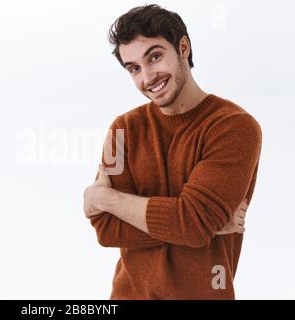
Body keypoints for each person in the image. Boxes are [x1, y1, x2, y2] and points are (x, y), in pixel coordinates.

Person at [83, 4, 262, 299]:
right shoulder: (122, 130)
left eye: (155, 56)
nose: (148, 77)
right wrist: (198, 225)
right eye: (134, 68)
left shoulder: (234, 128)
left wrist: (105, 198)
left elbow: (192, 224)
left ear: (183, 47)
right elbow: (105, 228)